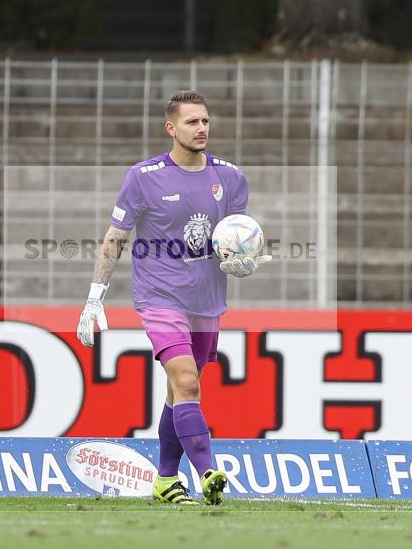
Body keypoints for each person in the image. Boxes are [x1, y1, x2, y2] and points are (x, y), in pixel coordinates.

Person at [76, 90, 271, 505]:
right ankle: (208, 473)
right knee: (186, 381)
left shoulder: (230, 177)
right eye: (191, 122)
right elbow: (115, 238)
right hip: (160, 295)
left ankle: (165, 480)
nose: (201, 128)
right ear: (171, 128)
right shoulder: (144, 177)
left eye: (205, 121)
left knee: (179, 391)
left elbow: (232, 238)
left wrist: (244, 260)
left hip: (207, 299)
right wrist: (95, 298)